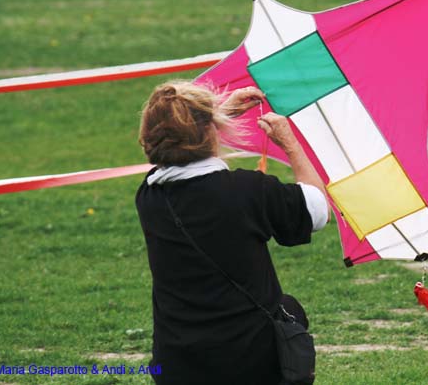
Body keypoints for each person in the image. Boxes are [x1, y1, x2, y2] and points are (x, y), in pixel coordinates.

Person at [135, 80, 328, 384]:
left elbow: (171, 159)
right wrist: (291, 144)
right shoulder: (247, 191)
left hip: (178, 362)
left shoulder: (150, 196)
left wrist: (218, 115)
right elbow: (316, 210)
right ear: (211, 130)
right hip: (251, 358)